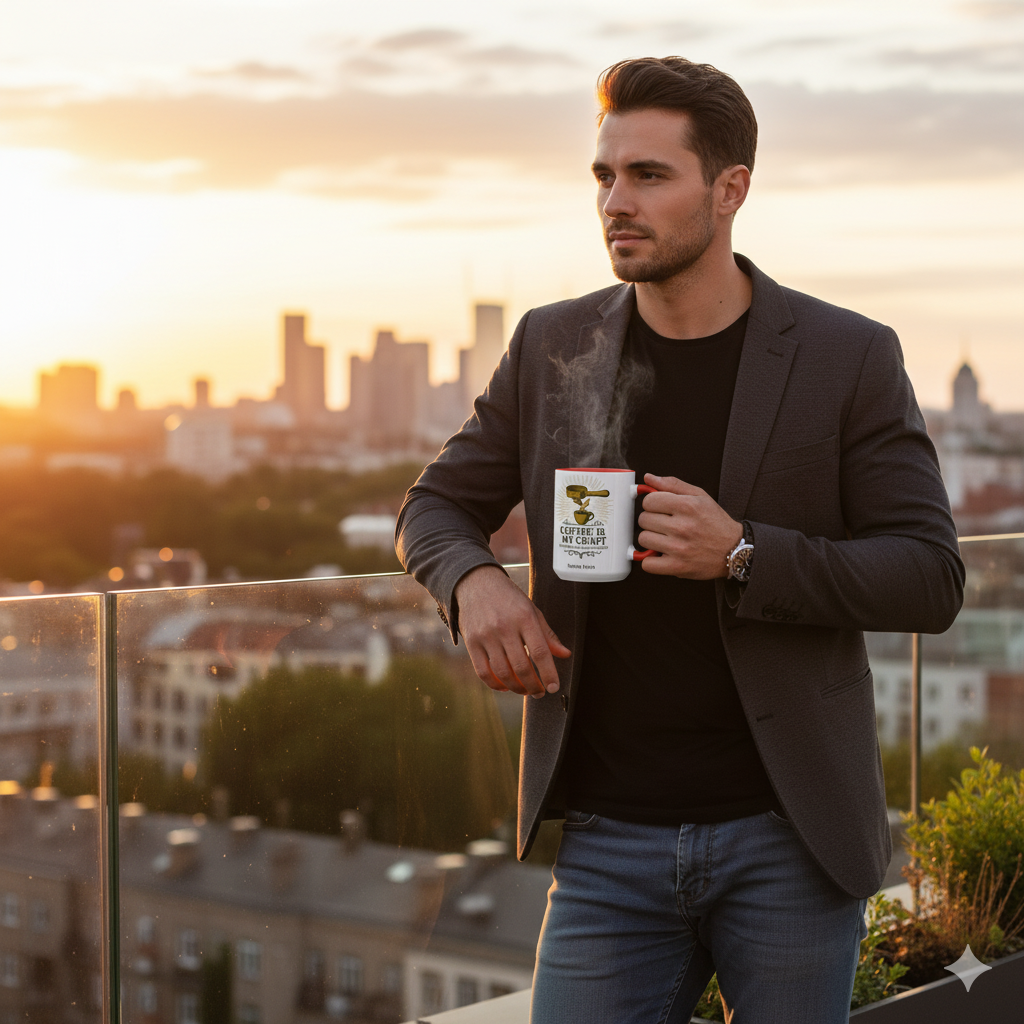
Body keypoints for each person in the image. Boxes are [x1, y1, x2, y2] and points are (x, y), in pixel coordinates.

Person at [396, 57, 963, 1024]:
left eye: (649, 175)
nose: (616, 201)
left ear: (730, 188)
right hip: (608, 841)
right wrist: (476, 587)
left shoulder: (847, 355)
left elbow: (928, 576)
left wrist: (744, 554)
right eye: (605, 177)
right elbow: (433, 509)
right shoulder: (552, 343)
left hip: (790, 836)